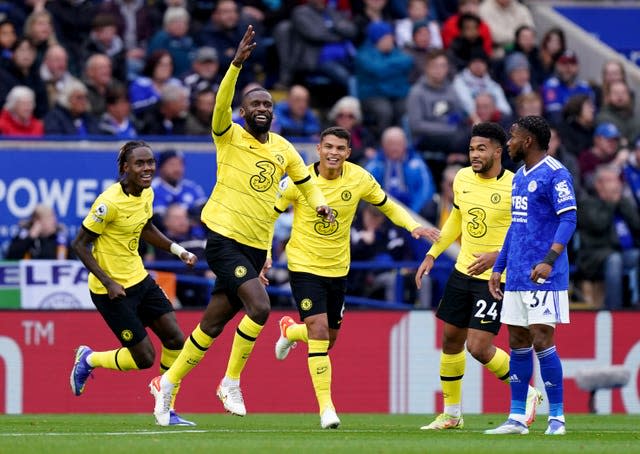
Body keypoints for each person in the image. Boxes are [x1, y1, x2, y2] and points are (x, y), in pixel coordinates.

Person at [148, 26, 333, 426]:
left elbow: (306, 184)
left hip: (253, 246)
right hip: (222, 239)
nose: (262, 107)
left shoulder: (284, 148)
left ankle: (166, 383)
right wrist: (234, 66)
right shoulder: (228, 135)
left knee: (212, 323)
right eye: (255, 103)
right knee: (261, 308)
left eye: (267, 102)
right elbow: (219, 103)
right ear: (243, 111)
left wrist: (319, 207)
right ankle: (230, 381)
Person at [272, 126, 435, 428]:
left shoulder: (359, 177)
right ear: (319, 149)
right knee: (319, 332)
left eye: (340, 148)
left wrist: (412, 226)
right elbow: (269, 213)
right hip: (304, 265)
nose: (334, 153)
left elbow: (386, 205)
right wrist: (265, 253)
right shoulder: (298, 179)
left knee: (329, 339)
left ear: (348, 152)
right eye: (328, 147)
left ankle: (291, 332)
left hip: (338, 269)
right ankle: (327, 409)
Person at [414, 122, 541, 430]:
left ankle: (528, 393)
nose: (474, 154)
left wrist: (497, 258)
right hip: (462, 272)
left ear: (498, 151)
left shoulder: (516, 185)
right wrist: (433, 253)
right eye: (472, 149)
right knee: (451, 340)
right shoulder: (461, 178)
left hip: (498, 278)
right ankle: (452, 414)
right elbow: (457, 218)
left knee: (479, 347)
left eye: (481, 148)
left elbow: (530, 234)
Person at [69, 140, 199, 427]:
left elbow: (146, 227)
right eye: (140, 163)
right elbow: (79, 245)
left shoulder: (147, 192)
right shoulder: (108, 202)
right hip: (111, 291)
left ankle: (165, 408)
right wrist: (108, 281)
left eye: (150, 162)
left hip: (140, 280)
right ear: (125, 168)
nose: (147, 168)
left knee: (177, 339)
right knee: (144, 358)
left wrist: (178, 251)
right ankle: (89, 359)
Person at [484, 115, 577, 436]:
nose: (507, 143)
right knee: (518, 341)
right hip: (519, 275)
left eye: (512, 137)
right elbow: (516, 226)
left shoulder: (555, 174)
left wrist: (550, 259)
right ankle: (517, 417)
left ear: (527, 141)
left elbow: (569, 218)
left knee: (541, 338)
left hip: (544, 274)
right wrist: (498, 268)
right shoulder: (518, 177)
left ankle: (557, 418)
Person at [577, 165, 640, 309]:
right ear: (599, 184)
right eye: (610, 181)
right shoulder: (587, 203)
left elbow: (637, 226)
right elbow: (599, 224)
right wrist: (610, 204)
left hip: (621, 252)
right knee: (614, 260)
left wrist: (623, 204)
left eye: (616, 180)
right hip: (594, 256)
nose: (615, 184)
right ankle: (614, 308)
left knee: (636, 256)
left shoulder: (622, 201)